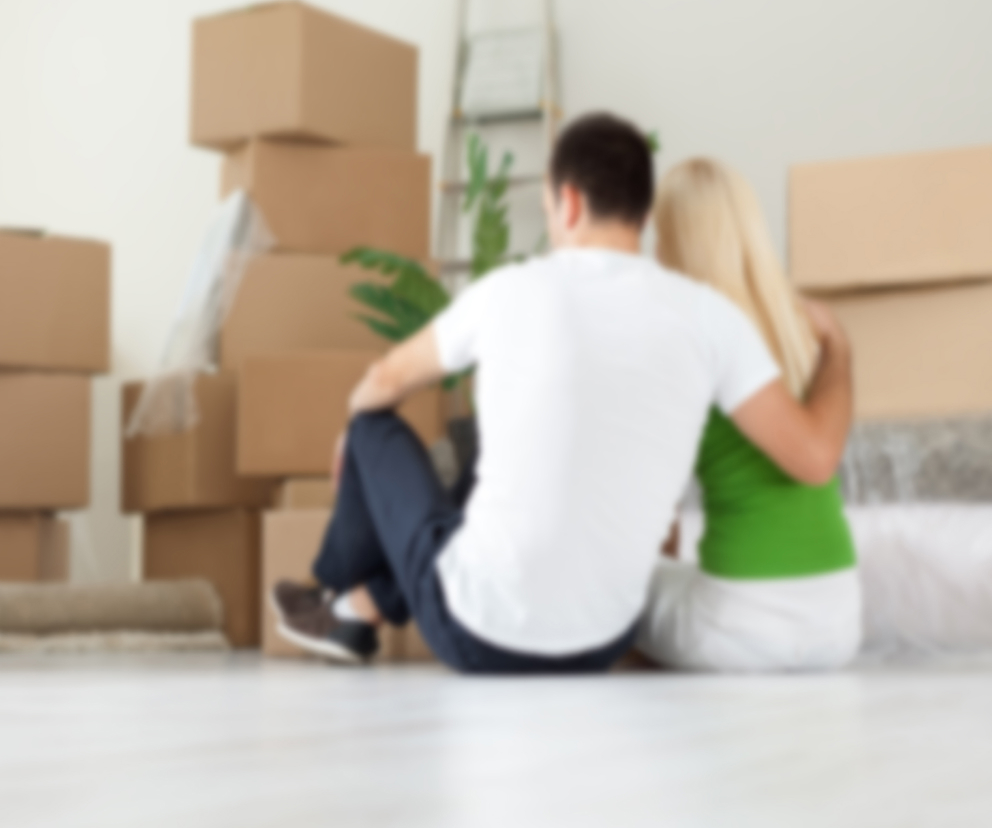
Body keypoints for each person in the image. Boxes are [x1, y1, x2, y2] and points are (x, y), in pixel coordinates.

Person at [270, 112, 853, 674]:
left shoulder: (509, 289)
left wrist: (352, 429)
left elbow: (385, 381)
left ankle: (333, 593)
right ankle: (355, 608)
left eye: (546, 208)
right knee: (493, 462)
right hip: (608, 640)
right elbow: (806, 455)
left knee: (373, 423)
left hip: (480, 637)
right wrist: (839, 348)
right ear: (643, 221)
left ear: (567, 203)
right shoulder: (714, 320)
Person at [636, 158, 860, 671]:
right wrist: (839, 348)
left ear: (677, 243)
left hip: (744, 631)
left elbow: (660, 499)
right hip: (838, 622)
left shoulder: (686, 340)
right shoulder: (802, 326)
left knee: (627, 581)